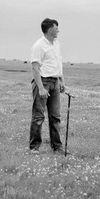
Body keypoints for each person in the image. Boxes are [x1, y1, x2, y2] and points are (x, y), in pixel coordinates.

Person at [29, 18, 67, 154]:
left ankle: (57, 147)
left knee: (55, 117)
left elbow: (58, 63)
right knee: (38, 117)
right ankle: (34, 148)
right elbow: (35, 68)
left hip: (55, 82)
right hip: (43, 82)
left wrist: (61, 81)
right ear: (50, 29)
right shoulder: (39, 46)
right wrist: (41, 88)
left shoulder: (57, 44)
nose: (58, 30)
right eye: (56, 28)